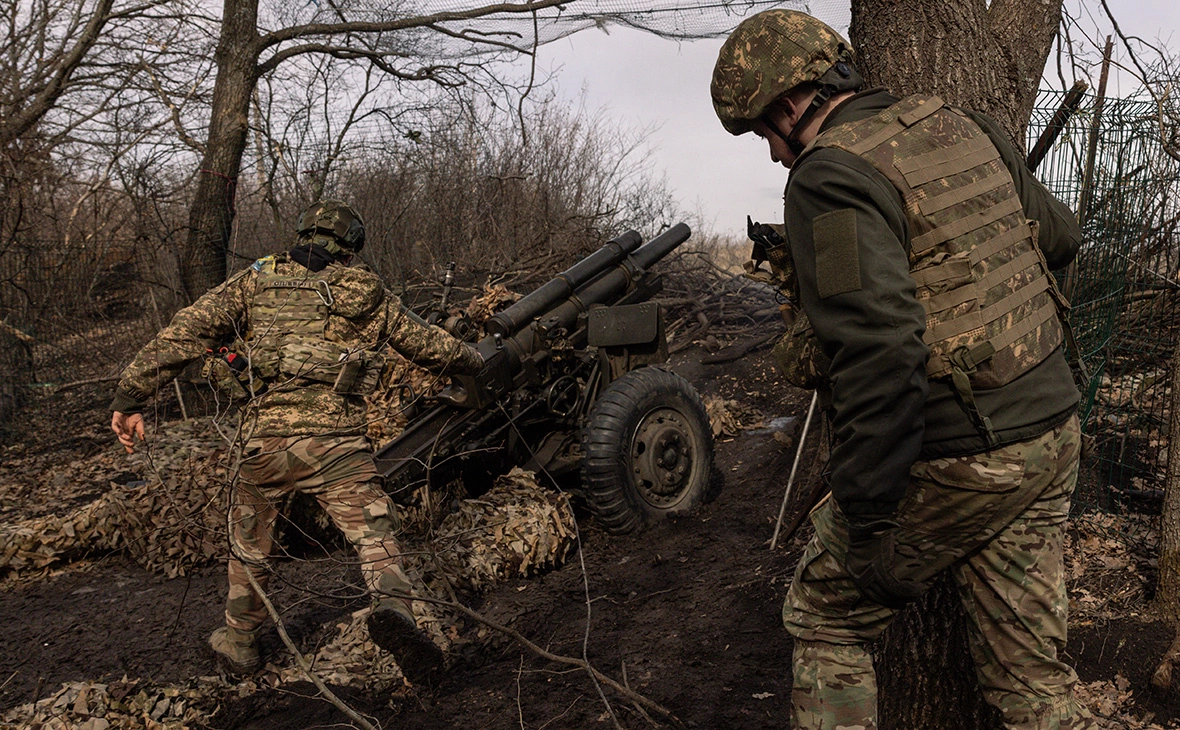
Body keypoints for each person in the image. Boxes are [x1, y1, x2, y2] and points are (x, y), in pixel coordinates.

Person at [711, 10, 1095, 729]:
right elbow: (1063, 237)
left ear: (793, 104)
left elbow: (881, 354)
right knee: (1032, 682)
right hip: (1051, 429)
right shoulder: (966, 122)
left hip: (963, 457)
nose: (770, 153)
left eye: (764, 130)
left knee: (825, 616)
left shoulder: (828, 178)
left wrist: (867, 515)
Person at [110, 199, 483, 684]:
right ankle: (395, 611)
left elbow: (184, 333)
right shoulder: (365, 291)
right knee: (375, 536)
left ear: (303, 232)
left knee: (249, 547)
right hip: (336, 447)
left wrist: (130, 396)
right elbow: (429, 345)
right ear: (350, 245)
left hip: (262, 446)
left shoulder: (253, 280)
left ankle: (240, 643)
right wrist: (474, 359)